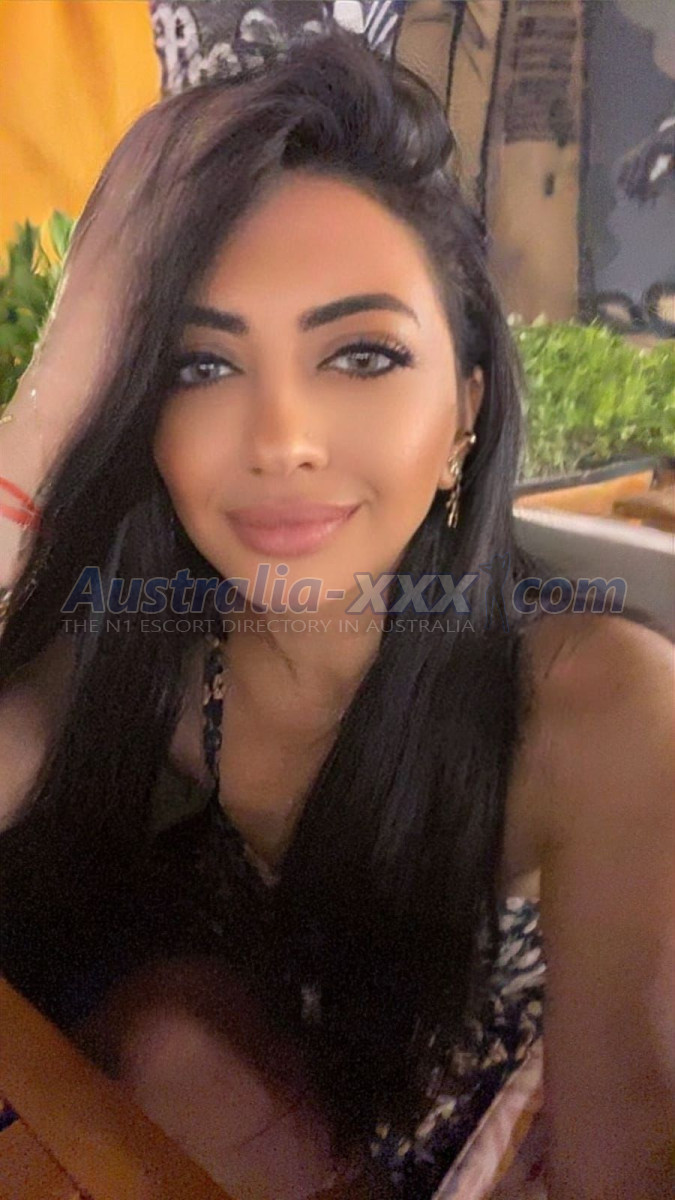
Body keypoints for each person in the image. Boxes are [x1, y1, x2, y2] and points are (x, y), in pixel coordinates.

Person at [0, 28, 673, 1200]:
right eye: (200, 366)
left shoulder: (605, 710)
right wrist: (64, 381)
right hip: (269, 1110)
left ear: (466, 412)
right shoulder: (161, 636)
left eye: (361, 356)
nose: (282, 442)